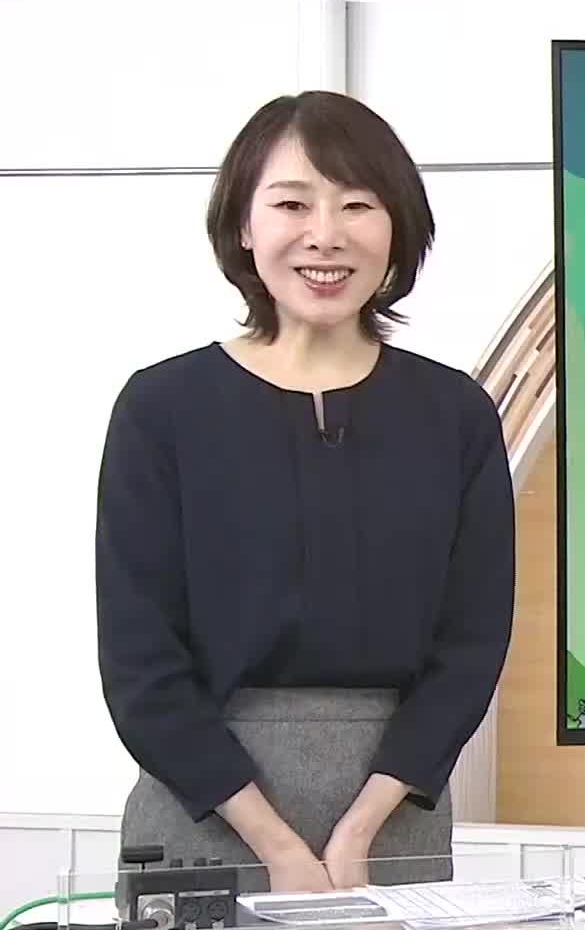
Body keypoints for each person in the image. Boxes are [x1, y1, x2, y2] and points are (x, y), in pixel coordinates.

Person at [94, 91, 516, 892]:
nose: (326, 234)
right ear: (243, 226)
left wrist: (361, 830)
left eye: (357, 205)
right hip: (203, 807)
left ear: (397, 228)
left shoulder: (455, 413)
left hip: (393, 812)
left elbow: (471, 646)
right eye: (292, 204)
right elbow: (139, 662)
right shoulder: (162, 408)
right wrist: (276, 845)